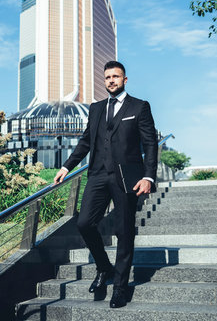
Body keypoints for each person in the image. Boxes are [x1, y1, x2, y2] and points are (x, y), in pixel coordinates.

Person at [53, 60, 158, 308]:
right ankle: (104, 267)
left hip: (127, 179)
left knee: (124, 232)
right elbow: (86, 141)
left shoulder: (139, 107)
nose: (111, 80)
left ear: (125, 80)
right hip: (98, 175)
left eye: (116, 76)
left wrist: (149, 176)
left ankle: (120, 288)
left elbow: (150, 143)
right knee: (84, 222)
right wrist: (67, 166)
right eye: (108, 77)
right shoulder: (96, 108)